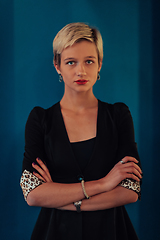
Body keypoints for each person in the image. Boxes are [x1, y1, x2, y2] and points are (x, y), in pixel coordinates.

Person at [20, 22, 142, 240]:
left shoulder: (118, 115)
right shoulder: (40, 119)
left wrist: (63, 199)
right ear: (57, 65)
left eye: (89, 61)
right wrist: (104, 184)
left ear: (100, 64)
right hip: (54, 232)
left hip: (112, 232)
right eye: (70, 62)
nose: (81, 71)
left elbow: (130, 189)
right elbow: (33, 193)